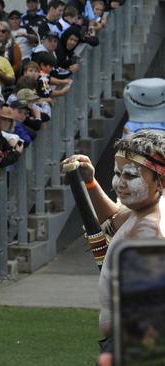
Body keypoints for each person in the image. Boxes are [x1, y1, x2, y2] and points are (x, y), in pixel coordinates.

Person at [61, 131, 165, 365]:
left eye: (130, 175)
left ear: (161, 180)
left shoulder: (150, 232)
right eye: (118, 173)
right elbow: (113, 216)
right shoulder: (143, 210)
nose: (120, 184)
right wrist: (90, 181)